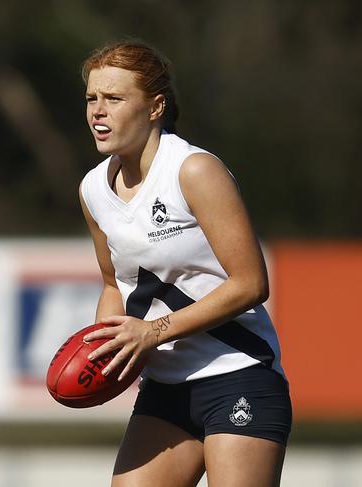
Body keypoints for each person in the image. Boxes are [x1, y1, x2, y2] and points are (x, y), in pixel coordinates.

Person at [77, 39, 292, 487]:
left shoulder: (193, 170)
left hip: (238, 375)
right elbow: (113, 285)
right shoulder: (93, 189)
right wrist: (103, 353)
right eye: (92, 99)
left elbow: (251, 283)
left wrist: (151, 332)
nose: (98, 111)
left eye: (114, 99)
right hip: (164, 390)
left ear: (155, 107)